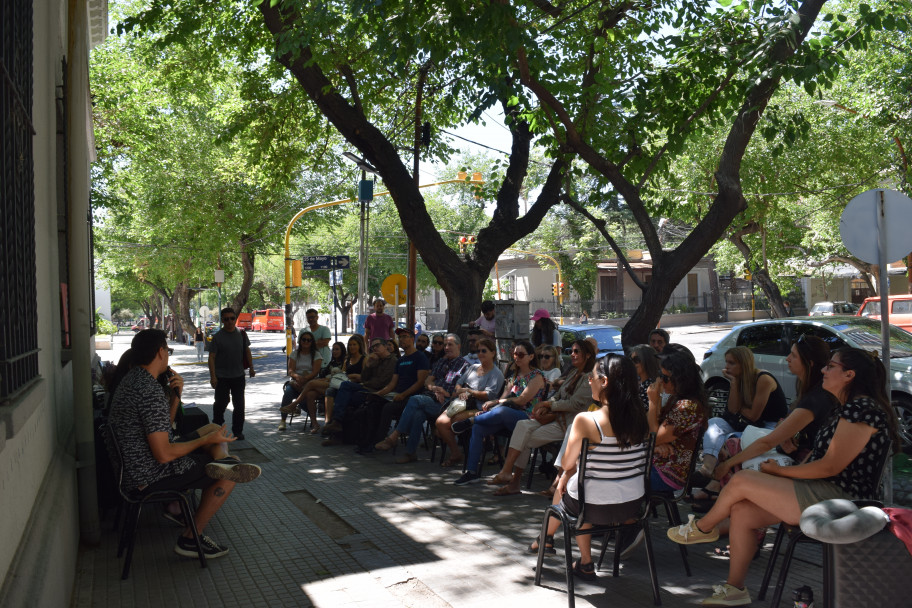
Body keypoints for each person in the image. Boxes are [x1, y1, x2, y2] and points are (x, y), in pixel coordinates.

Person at [667, 347, 900, 607]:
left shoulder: (861, 409)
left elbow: (830, 466)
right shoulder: (847, 407)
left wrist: (779, 471)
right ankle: (735, 589)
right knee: (743, 511)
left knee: (743, 480)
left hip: (844, 501)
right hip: (823, 490)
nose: (824, 369)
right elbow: (822, 460)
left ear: (849, 375)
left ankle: (702, 528)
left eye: (831, 366)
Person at [107, 329, 262, 559]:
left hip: (137, 468)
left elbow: (162, 431)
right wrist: (205, 441)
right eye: (167, 351)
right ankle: (191, 538)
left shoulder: (133, 381)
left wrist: (175, 395)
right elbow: (164, 454)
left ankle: (223, 462)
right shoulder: (148, 390)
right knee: (228, 476)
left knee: (211, 430)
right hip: (147, 476)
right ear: (160, 352)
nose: (168, 356)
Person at [527, 354, 650, 578]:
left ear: (604, 382)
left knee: (570, 485)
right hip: (633, 506)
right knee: (579, 483)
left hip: (592, 507)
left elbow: (565, 463)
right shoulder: (642, 417)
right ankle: (582, 562)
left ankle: (547, 539)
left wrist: (565, 475)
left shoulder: (586, 420)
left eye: (591, 378)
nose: (589, 382)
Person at [488, 340, 597, 496]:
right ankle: (508, 473)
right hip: (556, 419)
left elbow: (575, 404)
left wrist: (548, 405)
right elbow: (557, 396)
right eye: (571, 351)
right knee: (522, 427)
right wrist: (546, 405)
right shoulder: (573, 372)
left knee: (524, 437)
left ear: (587, 355)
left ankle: (520, 481)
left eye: (576, 352)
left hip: (570, 423)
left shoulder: (589, 377)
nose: (572, 354)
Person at [452, 339, 546, 485]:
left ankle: (470, 421)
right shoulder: (514, 375)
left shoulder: (537, 376)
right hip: (506, 415)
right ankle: (471, 472)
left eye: (521, 354)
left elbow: (521, 400)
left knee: (501, 411)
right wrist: (495, 404)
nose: (516, 357)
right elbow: (503, 397)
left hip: (527, 417)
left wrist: (497, 403)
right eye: (515, 354)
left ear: (531, 357)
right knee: (479, 428)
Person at [695, 346, 789, 483]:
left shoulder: (763, 379)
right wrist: (734, 383)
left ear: (744, 363)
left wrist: (739, 407)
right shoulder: (738, 379)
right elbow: (733, 409)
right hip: (748, 424)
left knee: (729, 440)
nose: (727, 367)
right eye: (726, 362)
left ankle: (715, 484)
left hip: (769, 427)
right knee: (714, 422)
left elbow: (753, 415)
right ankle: (707, 468)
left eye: (732, 363)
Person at [375, 333, 467, 462]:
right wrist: (435, 389)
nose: (446, 347)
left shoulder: (465, 366)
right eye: (445, 345)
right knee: (418, 414)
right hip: (433, 398)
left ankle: (394, 437)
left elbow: (465, 391)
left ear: (458, 346)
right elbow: (427, 381)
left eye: (449, 344)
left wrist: (447, 393)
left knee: (414, 399)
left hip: (449, 403)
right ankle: (410, 453)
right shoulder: (441, 361)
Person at [434, 337, 505, 467]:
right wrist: (461, 391)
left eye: (484, 351)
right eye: (478, 351)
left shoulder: (496, 373)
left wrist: (470, 392)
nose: (480, 354)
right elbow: (458, 384)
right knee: (440, 423)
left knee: (455, 422)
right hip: (461, 404)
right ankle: (457, 453)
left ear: (493, 353)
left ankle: (471, 451)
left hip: (480, 408)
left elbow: (490, 396)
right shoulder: (473, 367)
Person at [360, 327, 431, 453]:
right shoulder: (401, 360)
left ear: (412, 339)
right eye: (400, 337)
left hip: (412, 397)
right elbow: (392, 384)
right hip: (397, 395)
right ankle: (366, 441)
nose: (401, 339)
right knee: (372, 404)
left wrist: (403, 395)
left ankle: (381, 441)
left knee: (388, 408)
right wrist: (378, 394)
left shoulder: (420, 357)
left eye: (404, 336)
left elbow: (420, 382)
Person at [320, 337, 397, 444]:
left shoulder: (392, 360)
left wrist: (365, 383)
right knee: (343, 392)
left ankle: (338, 429)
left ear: (385, 347)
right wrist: (369, 365)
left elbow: (381, 382)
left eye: (377, 346)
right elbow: (365, 377)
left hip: (378, 393)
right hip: (366, 389)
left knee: (345, 394)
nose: (375, 349)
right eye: (373, 347)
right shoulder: (375, 359)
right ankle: (337, 428)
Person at [209, 308, 255, 441]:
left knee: (239, 405)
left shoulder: (241, 334)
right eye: (226, 319)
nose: (229, 321)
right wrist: (213, 376)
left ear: (235, 319)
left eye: (232, 318)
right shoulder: (218, 337)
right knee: (221, 403)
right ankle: (217, 427)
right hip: (221, 377)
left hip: (238, 376)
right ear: (222, 320)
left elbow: (247, 351)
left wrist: (251, 368)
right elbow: (211, 358)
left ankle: (238, 431)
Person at [277, 330, 323, 433]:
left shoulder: (316, 354)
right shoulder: (294, 354)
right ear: (300, 341)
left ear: (312, 342)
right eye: (304, 339)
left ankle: (308, 415)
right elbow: (290, 371)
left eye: (309, 340)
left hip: (311, 382)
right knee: (288, 392)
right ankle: (283, 420)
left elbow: (316, 372)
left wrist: (305, 379)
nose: (306, 342)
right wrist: (297, 377)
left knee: (306, 396)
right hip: (296, 381)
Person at [320, 335, 366, 430]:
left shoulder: (364, 359)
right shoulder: (347, 360)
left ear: (359, 346)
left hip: (358, 386)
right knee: (330, 390)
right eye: (350, 345)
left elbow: (364, 377)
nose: (352, 347)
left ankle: (337, 421)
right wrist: (352, 376)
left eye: (354, 344)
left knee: (344, 387)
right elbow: (343, 375)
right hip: (345, 384)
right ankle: (328, 422)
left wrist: (352, 377)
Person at [629, 344, 660, 409]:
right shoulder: (637, 382)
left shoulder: (650, 386)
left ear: (646, 361)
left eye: (636, 360)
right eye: (631, 360)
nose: (632, 363)